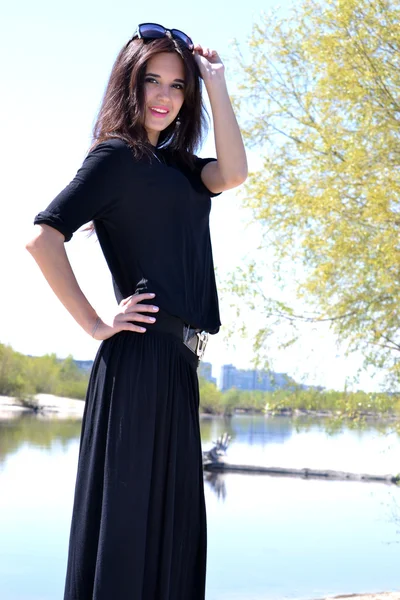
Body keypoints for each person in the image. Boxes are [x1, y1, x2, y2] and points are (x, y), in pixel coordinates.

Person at [26, 22, 247, 600]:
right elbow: (43, 239)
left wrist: (216, 83)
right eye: (152, 80)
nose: (164, 96)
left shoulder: (184, 169)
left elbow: (236, 172)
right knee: (128, 530)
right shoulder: (116, 157)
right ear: (131, 83)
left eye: (178, 86)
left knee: (172, 532)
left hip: (178, 365)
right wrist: (97, 324)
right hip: (139, 360)